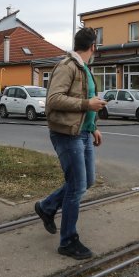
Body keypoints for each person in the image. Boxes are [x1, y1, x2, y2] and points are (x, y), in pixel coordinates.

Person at [35, 27, 106, 259]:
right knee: (76, 186)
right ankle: (68, 241)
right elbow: (53, 99)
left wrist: (93, 126)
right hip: (67, 134)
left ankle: (47, 207)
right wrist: (87, 105)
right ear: (93, 47)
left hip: (83, 133)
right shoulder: (67, 67)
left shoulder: (84, 68)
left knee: (87, 181)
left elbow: (86, 101)